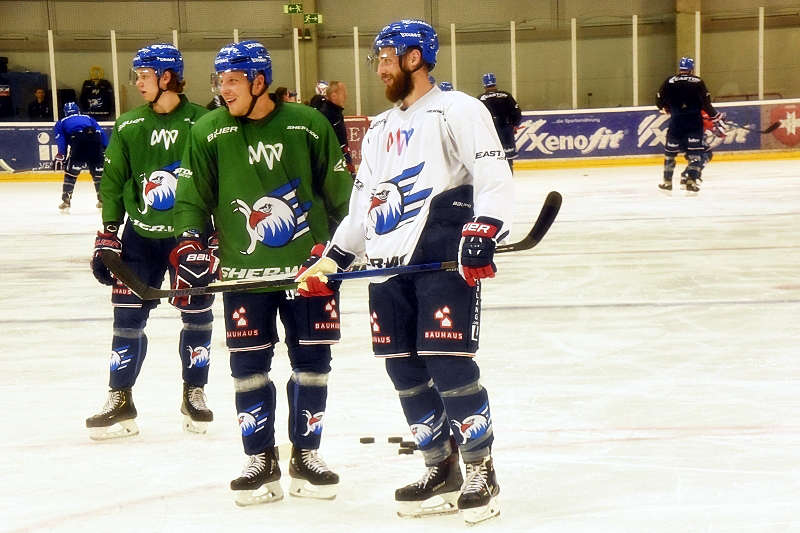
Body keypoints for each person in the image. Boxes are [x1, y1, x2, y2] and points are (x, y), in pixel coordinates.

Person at [296, 19, 512, 526]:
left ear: (417, 57)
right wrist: (334, 256)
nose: (380, 65)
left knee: (449, 362)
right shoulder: (378, 129)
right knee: (404, 369)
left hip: (441, 256)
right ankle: (440, 467)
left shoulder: (458, 109)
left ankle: (482, 468)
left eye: (388, 55)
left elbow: (492, 173)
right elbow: (360, 207)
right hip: (386, 268)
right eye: (378, 57)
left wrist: (485, 228)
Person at [172, 40, 352, 506]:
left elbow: (340, 193)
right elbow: (194, 194)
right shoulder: (208, 130)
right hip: (242, 275)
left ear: (258, 81)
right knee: (248, 368)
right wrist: (191, 241)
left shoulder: (308, 125)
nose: (223, 90)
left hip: (308, 273)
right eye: (219, 81)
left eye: (232, 81)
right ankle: (260, 459)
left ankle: (306, 455)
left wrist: (345, 248)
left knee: (312, 365)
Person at [86, 43, 215, 441]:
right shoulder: (128, 126)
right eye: (136, 75)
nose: (136, 82)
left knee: (197, 316)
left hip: (190, 236)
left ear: (166, 77)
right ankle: (119, 396)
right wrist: (108, 232)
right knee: (126, 319)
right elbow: (113, 182)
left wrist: (219, 237)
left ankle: (194, 391)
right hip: (139, 238)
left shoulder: (206, 122)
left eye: (143, 75)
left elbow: (218, 180)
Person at [656, 56, 723, 194]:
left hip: (676, 123)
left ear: (680, 68)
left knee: (670, 154)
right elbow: (706, 103)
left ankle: (667, 182)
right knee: (695, 154)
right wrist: (715, 116)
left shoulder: (669, 81)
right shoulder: (698, 81)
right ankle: (691, 182)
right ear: (692, 69)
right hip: (694, 124)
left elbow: (658, 98)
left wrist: (665, 107)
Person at [53, 101, 108, 211]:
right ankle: (103, 200)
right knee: (98, 174)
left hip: (79, 144)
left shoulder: (61, 122)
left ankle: (66, 200)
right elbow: (101, 133)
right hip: (95, 143)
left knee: (70, 174)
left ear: (65, 112)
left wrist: (61, 155)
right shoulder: (88, 118)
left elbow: (61, 140)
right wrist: (107, 148)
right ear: (78, 110)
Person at [478, 73, 522, 173]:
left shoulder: (481, 98)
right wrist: (515, 124)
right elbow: (516, 111)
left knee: (492, 153)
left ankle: (496, 173)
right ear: (495, 82)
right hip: (506, 128)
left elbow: (476, 115)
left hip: (490, 130)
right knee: (508, 153)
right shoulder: (506, 95)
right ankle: (509, 172)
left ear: (484, 84)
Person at [318, 81, 356, 176]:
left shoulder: (336, 113)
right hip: (334, 166)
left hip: (340, 162)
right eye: (343, 93)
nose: (346, 95)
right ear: (334, 96)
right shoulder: (327, 115)